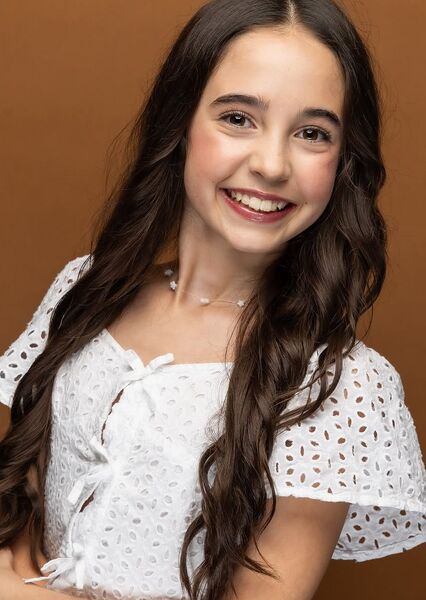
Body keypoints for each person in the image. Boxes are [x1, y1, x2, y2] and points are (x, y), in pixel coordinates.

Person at [0, 0, 425, 598]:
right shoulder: (88, 290)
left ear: (345, 160)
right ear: (180, 123)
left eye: (311, 133)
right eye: (238, 118)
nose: (271, 165)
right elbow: (26, 511)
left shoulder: (338, 384)